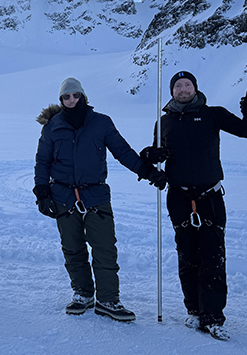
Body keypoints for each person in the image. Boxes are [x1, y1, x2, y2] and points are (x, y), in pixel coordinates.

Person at [140, 71, 247, 341]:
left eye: (187, 85)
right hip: (179, 197)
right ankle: (194, 310)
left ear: (195, 88)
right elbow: (157, 155)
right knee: (187, 255)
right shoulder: (164, 122)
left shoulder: (212, 115)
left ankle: (213, 317)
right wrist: (149, 155)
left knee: (213, 256)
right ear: (171, 91)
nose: (183, 89)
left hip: (210, 196)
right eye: (178, 86)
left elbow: (244, 131)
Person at [34, 77, 166, 320]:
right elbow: (42, 161)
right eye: (66, 96)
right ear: (61, 100)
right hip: (63, 197)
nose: (71, 100)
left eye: (75, 95)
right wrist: (42, 192)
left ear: (83, 96)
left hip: (95, 195)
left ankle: (108, 299)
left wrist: (148, 172)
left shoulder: (101, 123)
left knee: (105, 248)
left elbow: (123, 152)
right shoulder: (52, 126)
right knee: (73, 248)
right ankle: (83, 294)